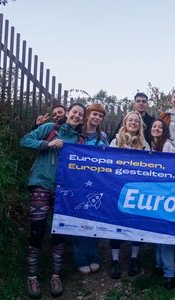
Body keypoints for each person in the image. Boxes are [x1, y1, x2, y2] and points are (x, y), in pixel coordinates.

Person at [20, 103, 86, 298]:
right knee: (37, 231)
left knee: (59, 233)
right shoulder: (51, 128)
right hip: (41, 184)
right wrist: (47, 144)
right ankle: (32, 277)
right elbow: (24, 140)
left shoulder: (80, 140)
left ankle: (55, 276)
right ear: (67, 113)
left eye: (80, 115)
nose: (76, 116)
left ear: (82, 120)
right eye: (74, 112)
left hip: (64, 190)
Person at [109, 111, 150, 279]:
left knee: (136, 222)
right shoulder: (115, 141)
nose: (133, 123)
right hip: (117, 188)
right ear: (125, 123)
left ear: (140, 125)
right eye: (130, 120)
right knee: (115, 223)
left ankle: (134, 257)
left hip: (137, 189)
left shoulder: (144, 143)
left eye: (136, 121)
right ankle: (115, 260)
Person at [72, 103, 109, 276]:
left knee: (94, 220)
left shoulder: (103, 137)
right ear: (88, 114)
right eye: (94, 114)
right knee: (79, 220)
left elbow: (109, 158)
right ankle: (80, 259)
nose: (96, 118)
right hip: (77, 182)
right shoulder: (77, 133)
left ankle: (93, 255)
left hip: (97, 182)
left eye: (100, 116)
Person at [150, 119, 175, 289]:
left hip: (166, 194)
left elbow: (172, 169)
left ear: (165, 130)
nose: (157, 129)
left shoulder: (167, 145)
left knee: (166, 235)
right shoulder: (149, 145)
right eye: (154, 126)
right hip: (153, 194)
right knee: (156, 233)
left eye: (160, 127)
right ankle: (159, 265)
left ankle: (169, 272)